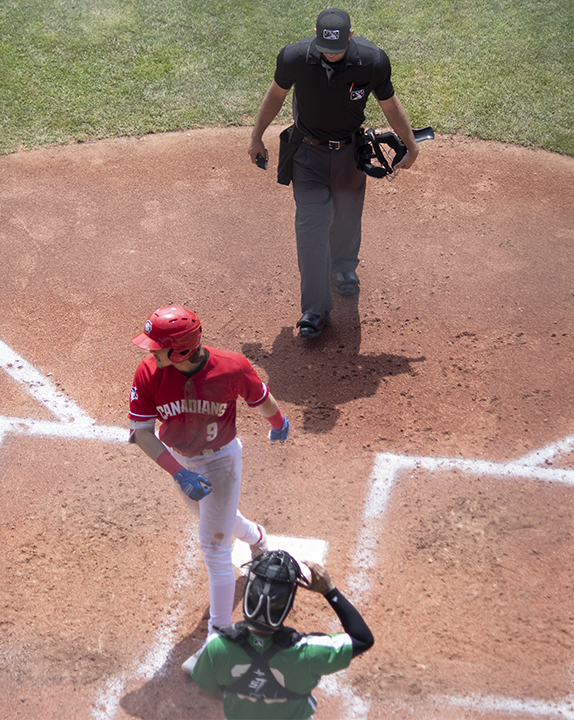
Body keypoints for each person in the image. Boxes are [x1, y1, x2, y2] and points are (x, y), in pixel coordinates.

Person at [128, 305, 291, 672]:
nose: (151, 353)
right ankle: (257, 536)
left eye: (158, 347)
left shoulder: (231, 366)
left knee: (214, 545)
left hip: (220, 462)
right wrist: (177, 472)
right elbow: (141, 434)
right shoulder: (149, 372)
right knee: (214, 518)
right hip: (179, 460)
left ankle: (219, 635)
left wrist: (278, 422)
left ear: (182, 349)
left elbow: (260, 398)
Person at [247, 7, 420, 339]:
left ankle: (343, 268)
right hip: (307, 156)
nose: (332, 54)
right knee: (311, 225)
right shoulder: (295, 57)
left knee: (347, 214)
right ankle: (314, 310)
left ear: (351, 37)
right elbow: (276, 95)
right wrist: (256, 137)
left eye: (338, 48)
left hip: (349, 155)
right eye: (326, 48)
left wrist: (411, 144)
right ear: (315, 33)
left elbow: (389, 103)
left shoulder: (372, 61)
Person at [191, 550, 374, 719]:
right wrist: (330, 591)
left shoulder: (217, 647)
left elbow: (206, 690)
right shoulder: (308, 652)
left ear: (248, 596)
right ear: (287, 605)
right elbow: (362, 639)